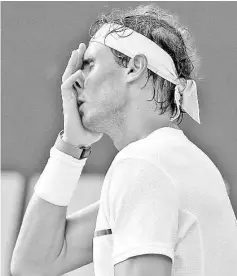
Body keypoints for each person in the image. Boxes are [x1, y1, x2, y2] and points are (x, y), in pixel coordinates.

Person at [11, 4, 237, 276]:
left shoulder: (144, 166)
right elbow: (32, 265)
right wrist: (71, 147)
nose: (75, 80)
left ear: (134, 68)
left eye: (90, 64)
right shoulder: (166, 164)